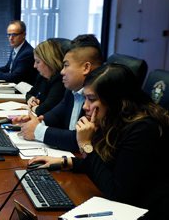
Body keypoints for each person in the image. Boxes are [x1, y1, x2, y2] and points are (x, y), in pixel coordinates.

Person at [29, 64, 169, 219]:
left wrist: (86, 145)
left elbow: (117, 192)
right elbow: (108, 165)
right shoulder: (114, 118)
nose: (85, 106)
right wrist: (68, 162)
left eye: (91, 99)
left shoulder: (143, 129)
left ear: (115, 101)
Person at [17, 34, 104, 152]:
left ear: (86, 68)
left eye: (66, 65)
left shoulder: (100, 98)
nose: (62, 71)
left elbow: (81, 139)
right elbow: (56, 115)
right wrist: (36, 122)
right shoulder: (71, 91)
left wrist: (37, 131)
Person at [0, 20, 37, 85]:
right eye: (9, 35)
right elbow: (8, 68)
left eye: (14, 35)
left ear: (24, 35)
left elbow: (15, 77)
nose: (11, 38)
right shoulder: (16, 48)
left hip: (22, 91)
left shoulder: (27, 53)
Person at [26, 40, 66, 115]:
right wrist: (31, 99)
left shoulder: (61, 81)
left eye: (38, 62)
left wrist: (32, 107)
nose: (34, 66)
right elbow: (29, 93)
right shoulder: (42, 76)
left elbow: (44, 109)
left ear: (49, 61)